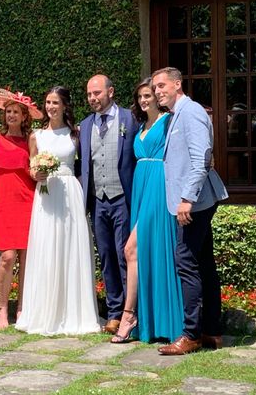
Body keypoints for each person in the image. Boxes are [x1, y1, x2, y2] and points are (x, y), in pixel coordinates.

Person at [151, 67, 229, 355]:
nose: (158, 91)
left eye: (162, 86)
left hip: (193, 203)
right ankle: (212, 331)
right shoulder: (175, 115)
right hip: (193, 201)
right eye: (155, 87)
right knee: (204, 263)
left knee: (186, 262)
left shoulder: (191, 111)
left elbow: (201, 159)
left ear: (177, 84)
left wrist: (186, 199)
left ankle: (191, 335)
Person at [15, 86, 101, 336]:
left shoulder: (76, 134)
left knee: (70, 247)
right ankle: (43, 312)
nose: (50, 107)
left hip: (70, 193)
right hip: (46, 195)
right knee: (47, 247)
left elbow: (85, 165)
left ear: (64, 105)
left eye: (55, 102)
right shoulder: (36, 136)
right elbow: (31, 167)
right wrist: (35, 173)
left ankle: (74, 313)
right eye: (47, 102)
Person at [110, 78, 183, 343]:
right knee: (143, 253)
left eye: (148, 95)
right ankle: (148, 319)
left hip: (158, 187)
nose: (144, 100)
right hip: (141, 188)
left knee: (132, 249)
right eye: (140, 96)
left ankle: (129, 315)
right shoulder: (141, 126)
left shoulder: (168, 122)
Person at [79, 74, 137, 334]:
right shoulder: (85, 126)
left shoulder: (129, 119)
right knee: (106, 257)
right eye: (90, 94)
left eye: (97, 93)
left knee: (126, 254)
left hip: (122, 198)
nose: (93, 98)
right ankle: (114, 312)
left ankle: (131, 310)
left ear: (111, 92)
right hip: (98, 201)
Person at [0, 88, 43, 329]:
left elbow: (34, 168)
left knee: (26, 258)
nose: (11, 115)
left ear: (24, 116)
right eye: (8, 111)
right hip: (4, 202)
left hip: (27, 201)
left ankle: (22, 307)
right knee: (7, 257)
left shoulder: (31, 139)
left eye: (16, 112)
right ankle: (1, 308)